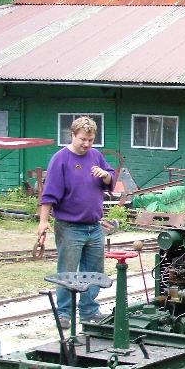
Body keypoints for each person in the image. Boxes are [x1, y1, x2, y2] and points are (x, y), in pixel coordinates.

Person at [38, 117, 115, 328]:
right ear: (72, 135)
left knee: (94, 271)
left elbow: (111, 178)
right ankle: (64, 313)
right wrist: (43, 221)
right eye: (83, 139)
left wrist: (106, 176)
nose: (87, 144)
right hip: (69, 227)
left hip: (94, 226)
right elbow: (49, 194)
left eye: (91, 140)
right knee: (67, 272)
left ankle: (89, 311)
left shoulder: (96, 156)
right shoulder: (60, 159)